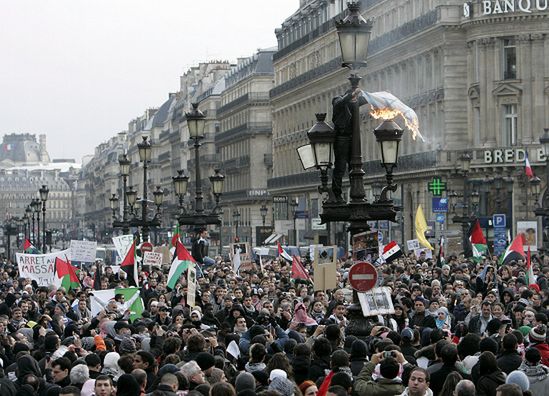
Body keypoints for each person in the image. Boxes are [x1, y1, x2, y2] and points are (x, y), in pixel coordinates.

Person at [330, 87, 367, 202]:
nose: (355, 100)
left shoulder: (353, 103)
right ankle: (336, 194)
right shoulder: (338, 101)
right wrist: (352, 94)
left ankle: (356, 193)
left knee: (354, 167)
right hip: (342, 138)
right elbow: (341, 101)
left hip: (352, 138)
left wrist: (381, 95)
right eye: (353, 97)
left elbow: (365, 99)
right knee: (340, 167)